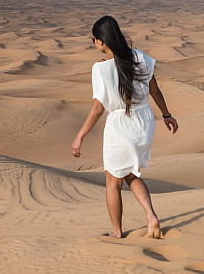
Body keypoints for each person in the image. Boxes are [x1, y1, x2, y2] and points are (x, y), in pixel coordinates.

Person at [72, 15, 179, 239]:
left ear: (101, 41)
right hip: (145, 121)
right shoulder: (141, 57)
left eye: (94, 40)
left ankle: (118, 232)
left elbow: (97, 109)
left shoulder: (100, 69)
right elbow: (155, 91)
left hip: (120, 125)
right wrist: (167, 115)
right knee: (131, 173)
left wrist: (80, 136)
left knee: (112, 181)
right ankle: (151, 216)